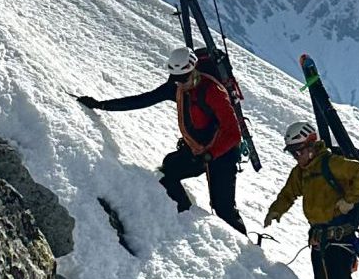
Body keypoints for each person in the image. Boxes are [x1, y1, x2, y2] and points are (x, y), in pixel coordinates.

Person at [77, 46, 247, 233]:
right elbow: (143, 100)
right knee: (169, 170)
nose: (179, 83)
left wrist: (210, 154)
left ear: (193, 71)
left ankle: (245, 248)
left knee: (224, 209)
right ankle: (188, 220)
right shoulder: (176, 87)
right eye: (175, 78)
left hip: (222, 154)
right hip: (198, 151)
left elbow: (233, 133)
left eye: (183, 78)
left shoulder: (212, 91)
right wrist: (101, 105)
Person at [263, 121, 359, 279]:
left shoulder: (332, 163)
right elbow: (288, 194)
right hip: (319, 240)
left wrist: (350, 201)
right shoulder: (301, 172)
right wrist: (275, 210)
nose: (296, 157)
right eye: (293, 153)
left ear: (312, 145)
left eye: (298, 151)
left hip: (340, 240)